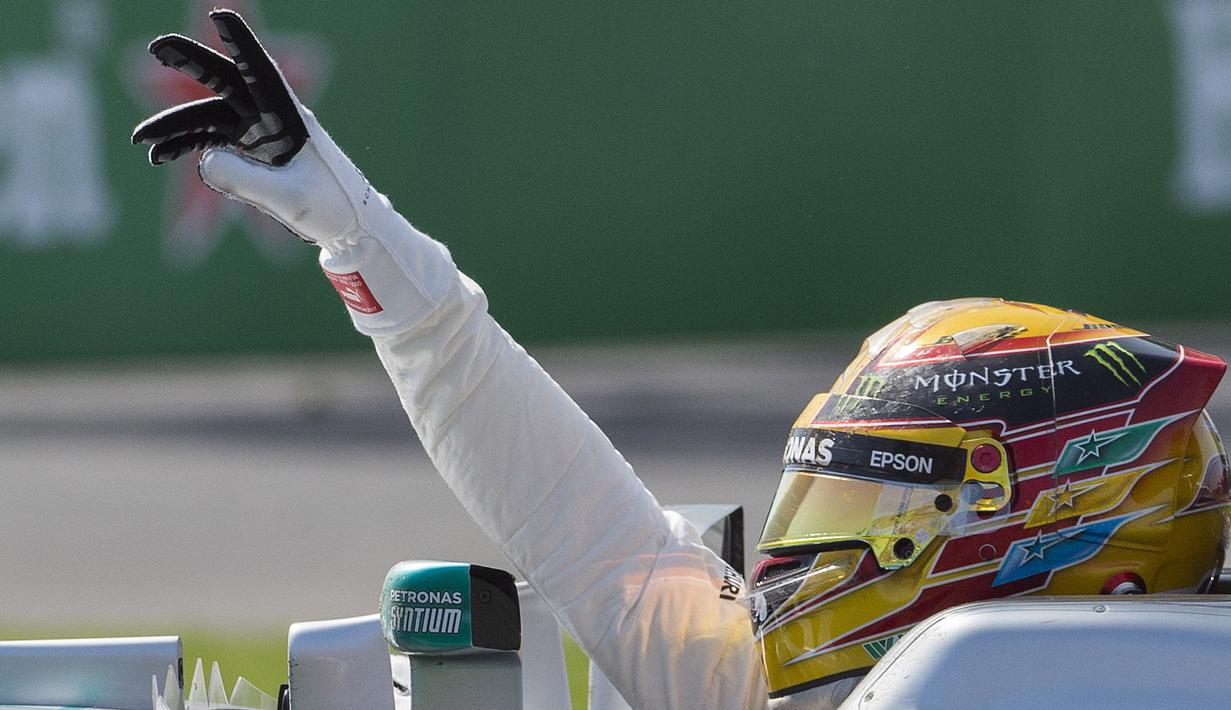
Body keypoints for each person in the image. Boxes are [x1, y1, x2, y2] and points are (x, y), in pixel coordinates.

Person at [134, 11, 1231, 709]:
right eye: (825, 480)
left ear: (1013, 530)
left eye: (870, 493)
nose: (802, 544)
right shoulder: (774, 683)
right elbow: (579, 522)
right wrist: (360, 236)